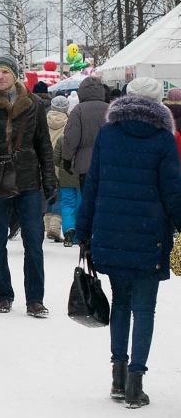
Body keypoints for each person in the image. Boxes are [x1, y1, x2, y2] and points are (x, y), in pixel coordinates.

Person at [75, 77, 181, 409]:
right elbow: (173, 192)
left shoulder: (109, 133)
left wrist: (83, 229)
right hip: (150, 236)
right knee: (145, 309)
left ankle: (118, 378)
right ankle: (136, 384)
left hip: (111, 231)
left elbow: (93, 183)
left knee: (121, 304)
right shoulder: (164, 138)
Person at [0, 56, 57, 317]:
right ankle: (4, 294)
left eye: (5, 72)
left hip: (28, 179)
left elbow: (44, 145)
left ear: (14, 75)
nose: (1, 76)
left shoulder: (34, 104)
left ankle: (35, 299)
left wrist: (49, 179)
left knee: (33, 241)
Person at [62, 77, 109, 193]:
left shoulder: (78, 110)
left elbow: (71, 137)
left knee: (88, 202)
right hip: (108, 164)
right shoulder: (110, 109)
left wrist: (67, 159)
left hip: (85, 165)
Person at [45, 95, 71, 244]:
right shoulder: (68, 123)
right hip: (60, 161)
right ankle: (55, 225)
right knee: (60, 193)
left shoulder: (44, 120)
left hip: (46, 160)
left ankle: (47, 224)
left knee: (48, 191)